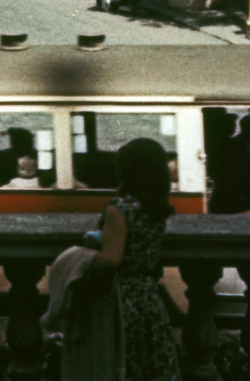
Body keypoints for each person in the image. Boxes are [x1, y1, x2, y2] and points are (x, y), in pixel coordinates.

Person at [85, 138, 181, 380]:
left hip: (121, 298)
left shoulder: (119, 208)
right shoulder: (157, 208)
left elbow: (111, 259)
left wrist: (79, 260)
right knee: (151, 362)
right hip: (148, 295)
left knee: (123, 364)